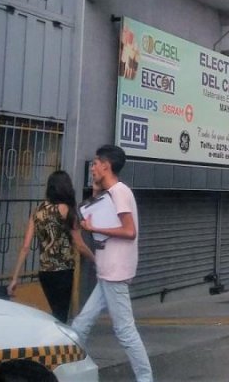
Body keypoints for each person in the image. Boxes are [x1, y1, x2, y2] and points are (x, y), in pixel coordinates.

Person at [71, 145, 153, 382]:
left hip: (115, 271)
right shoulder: (110, 193)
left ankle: (146, 379)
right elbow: (103, 212)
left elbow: (129, 231)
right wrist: (96, 190)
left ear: (106, 165)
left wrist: (94, 228)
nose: (93, 167)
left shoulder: (120, 191)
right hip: (107, 271)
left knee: (125, 331)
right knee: (81, 323)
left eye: (96, 163)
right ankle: (73, 370)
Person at [8, 170, 94, 322]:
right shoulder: (67, 210)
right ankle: (58, 342)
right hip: (63, 271)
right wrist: (96, 260)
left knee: (55, 312)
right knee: (61, 315)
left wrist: (15, 278)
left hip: (45, 272)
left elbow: (26, 246)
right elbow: (79, 245)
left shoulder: (37, 211)